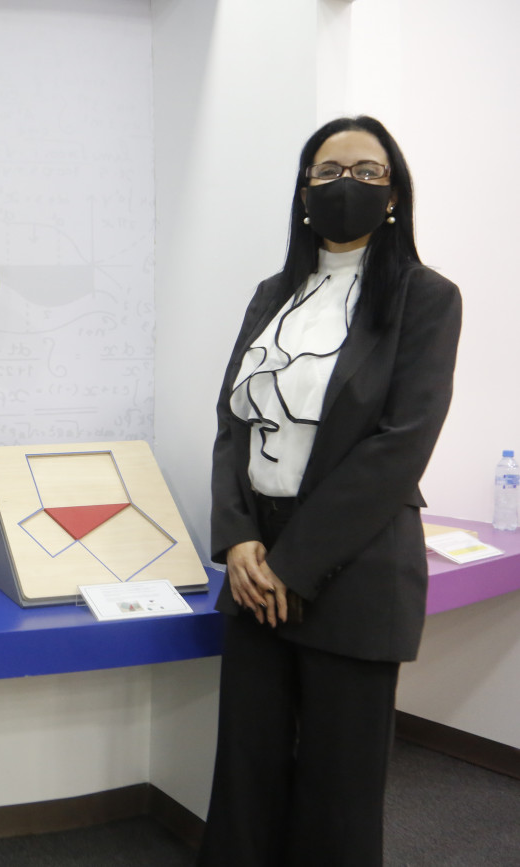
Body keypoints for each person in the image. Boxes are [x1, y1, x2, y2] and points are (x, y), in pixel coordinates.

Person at [199, 116, 461, 867]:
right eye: (328, 170)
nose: (347, 183)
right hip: (255, 566)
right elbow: (233, 421)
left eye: (368, 171)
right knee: (245, 770)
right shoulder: (272, 294)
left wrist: (292, 565)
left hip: (355, 567)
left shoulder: (426, 297)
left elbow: (398, 447)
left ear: (394, 192)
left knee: (338, 788)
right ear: (304, 190)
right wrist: (239, 539)